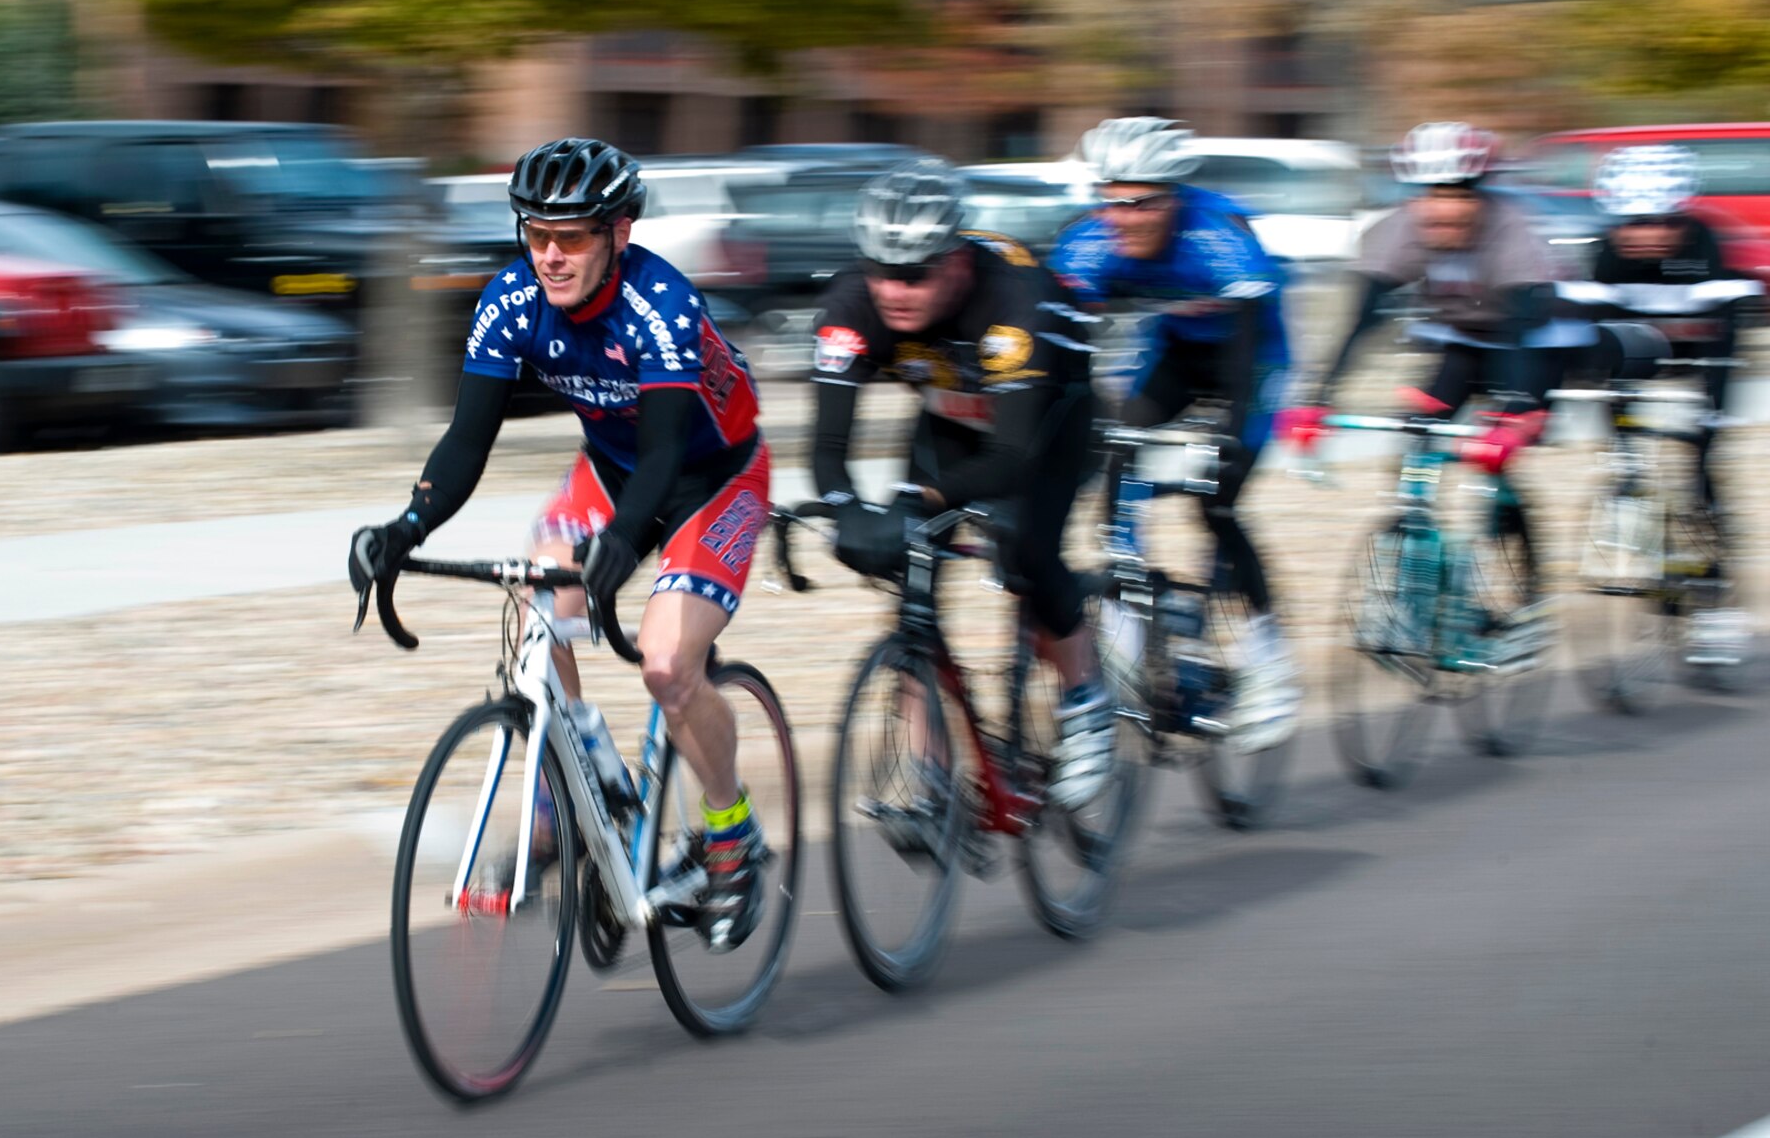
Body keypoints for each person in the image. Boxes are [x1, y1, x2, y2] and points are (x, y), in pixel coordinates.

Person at [346, 138, 772, 951]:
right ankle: (584, 778)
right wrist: (407, 526)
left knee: (666, 667)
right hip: (615, 470)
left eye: (571, 236)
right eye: (536, 232)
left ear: (619, 231)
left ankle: (730, 837)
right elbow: (467, 442)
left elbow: (664, 455)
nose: (549, 253)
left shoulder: (661, 303)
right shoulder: (510, 300)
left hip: (711, 476)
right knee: (544, 586)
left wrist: (617, 544)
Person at [810, 158, 1114, 808]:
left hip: (1048, 423)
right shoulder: (852, 304)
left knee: (1026, 549)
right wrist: (843, 508)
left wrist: (918, 499)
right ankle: (931, 772)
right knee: (912, 583)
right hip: (948, 416)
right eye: (880, 270)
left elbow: (1010, 456)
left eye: (914, 274)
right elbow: (828, 446)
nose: (893, 289)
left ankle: (1086, 700)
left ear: (956, 259)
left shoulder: (1013, 302)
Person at [1049, 116, 1299, 751]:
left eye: (1141, 203)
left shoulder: (1219, 236)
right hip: (1175, 357)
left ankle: (1268, 658)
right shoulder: (1086, 245)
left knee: (1218, 498)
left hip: (1253, 357)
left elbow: (1245, 352)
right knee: (1117, 455)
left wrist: (1231, 441)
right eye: (1109, 200)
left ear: (1176, 196)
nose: (1122, 216)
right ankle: (1132, 620)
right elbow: (1058, 344)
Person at [1288, 121, 1561, 616]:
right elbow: (1361, 322)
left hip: (1531, 345)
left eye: (1459, 195)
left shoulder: (1510, 230)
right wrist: (1318, 396)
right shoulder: (1402, 229)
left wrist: (1517, 409)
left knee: (1491, 455)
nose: (1443, 209)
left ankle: (1518, 575)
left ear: (1480, 198)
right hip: (1460, 346)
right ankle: (1417, 563)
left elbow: (1523, 329)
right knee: (1417, 435)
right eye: (1430, 194)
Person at [1561, 143, 1760, 664]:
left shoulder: (1707, 244)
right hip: (1641, 351)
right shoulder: (1604, 252)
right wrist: (1614, 428)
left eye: (1660, 222)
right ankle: (1635, 508)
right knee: (1624, 436)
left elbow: (1731, 336)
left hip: (1703, 353)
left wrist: (1710, 411)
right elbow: (1593, 342)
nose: (1645, 235)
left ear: (1681, 215)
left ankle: (1714, 597)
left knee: (1700, 465)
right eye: (1630, 223)